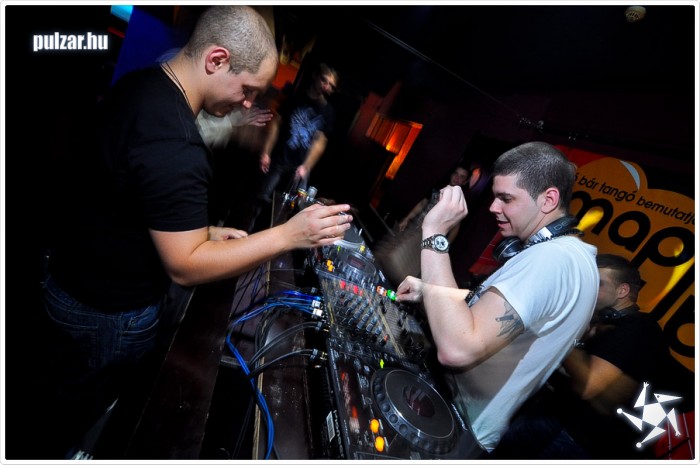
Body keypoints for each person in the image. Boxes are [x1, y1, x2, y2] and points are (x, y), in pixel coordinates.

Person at [41, 6, 353, 458]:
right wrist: (289, 235)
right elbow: (185, 267)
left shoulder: (142, 86)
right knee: (76, 416)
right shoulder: (177, 142)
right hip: (106, 313)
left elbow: (123, 193)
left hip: (68, 279)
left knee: (58, 392)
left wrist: (199, 229)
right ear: (217, 60)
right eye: (247, 89)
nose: (247, 104)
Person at [395, 141, 599, 455]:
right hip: (459, 418)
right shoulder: (573, 257)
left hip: (457, 426)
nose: (493, 207)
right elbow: (498, 313)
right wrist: (432, 291)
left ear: (548, 200)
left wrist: (434, 232)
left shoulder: (551, 260)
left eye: (506, 198)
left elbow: (457, 348)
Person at [492, 253, 695, 459]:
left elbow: (589, 385)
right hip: (556, 421)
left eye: (598, 284)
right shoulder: (603, 323)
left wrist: (566, 335)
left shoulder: (638, 329)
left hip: (579, 440)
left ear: (622, 291)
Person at [247, 62, 339, 232]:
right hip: (280, 158)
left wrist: (306, 166)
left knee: (293, 207)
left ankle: (275, 238)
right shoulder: (295, 97)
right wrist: (266, 151)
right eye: (324, 80)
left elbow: (320, 142)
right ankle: (248, 232)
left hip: (300, 166)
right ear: (315, 76)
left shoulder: (327, 112)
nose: (326, 87)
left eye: (331, 85)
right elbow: (276, 123)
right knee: (261, 198)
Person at [374, 164, 473, 287]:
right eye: (456, 174)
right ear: (451, 174)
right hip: (414, 226)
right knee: (387, 253)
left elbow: (455, 228)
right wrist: (407, 219)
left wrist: (442, 249)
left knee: (402, 265)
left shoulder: (458, 202)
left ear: (465, 181)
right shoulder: (439, 187)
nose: (457, 178)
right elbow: (422, 204)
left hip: (428, 238)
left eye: (462, 177)